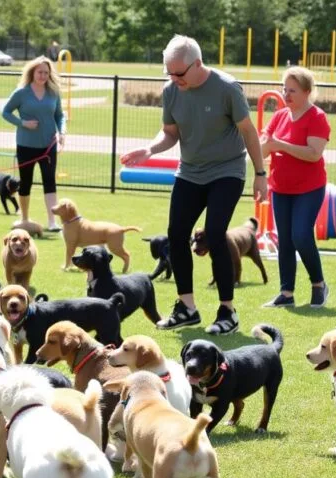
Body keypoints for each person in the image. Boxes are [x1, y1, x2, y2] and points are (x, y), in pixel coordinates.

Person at [119, 34, 268, 336]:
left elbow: (249, 132)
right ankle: (187, 307)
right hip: (190, 171)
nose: (174, 79)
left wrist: (260, 173)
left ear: (197, 64)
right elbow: (170, 133)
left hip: (227, 170)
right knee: (176, 234)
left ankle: (228, 311)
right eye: (169, 73)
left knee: (215, 233)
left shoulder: (227, 88)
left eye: (179, 73)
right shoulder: (171, 90)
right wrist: (150, 149)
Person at [259, 67, 331, 309]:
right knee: (286, 240)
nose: (286, 95)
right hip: (280, 186)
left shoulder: (317, 117)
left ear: (307, 92)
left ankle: (319, 285)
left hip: (309, 188)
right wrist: (266, 148)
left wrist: (280, 144)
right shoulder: (279, 116)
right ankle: (286, 293)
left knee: (301, 235)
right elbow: (263, 147)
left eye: (292, 90)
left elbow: (313, 154)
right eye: (284, 90)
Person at [1, 56, 67, 233]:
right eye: (40, 72)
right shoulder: (21, 93)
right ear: (32, 72)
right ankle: (24, 218)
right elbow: (5, 112)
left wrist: (62, 132)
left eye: (46, 72)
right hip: (25, 145)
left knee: (49, 181)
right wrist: (23, 123)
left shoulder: (54, 92)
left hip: (48, 146)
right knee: (26, 182)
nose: (43, 76)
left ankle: (52, 222)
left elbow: (60, 115)